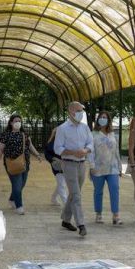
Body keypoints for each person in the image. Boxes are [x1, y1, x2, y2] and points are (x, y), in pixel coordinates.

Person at [54, 101, 93, 236]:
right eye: (78, 110)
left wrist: (86, 150)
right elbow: (57, 148)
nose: (81, 113)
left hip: (82, 164)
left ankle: (65, 219)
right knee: (76, 195)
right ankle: (81, 224)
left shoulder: (85, 128)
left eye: (82, 110)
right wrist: (72, 152)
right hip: (69, 164)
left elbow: (90, 143)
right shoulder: (62, 128)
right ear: (71, 112)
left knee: (73, 194)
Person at [0, 114, 42, 215]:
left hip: (25, 163)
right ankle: (19, 206)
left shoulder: (24, 134)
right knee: (17, 185)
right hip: (11, 164)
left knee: (21, 185)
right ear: (11, 123)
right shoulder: (5, 135)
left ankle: (12, 199)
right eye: (16, 121)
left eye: (19, 121)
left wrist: (37, 154)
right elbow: (0, 150)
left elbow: (30, 146)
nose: (18, 123)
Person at [88, 111, 122, 225]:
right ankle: (98, 214)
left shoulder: (113, 135)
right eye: (101, 117)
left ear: (109, 120)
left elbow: (116, 151)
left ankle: (116, 215)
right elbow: (90, 152)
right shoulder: (93, 134)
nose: (103, 119)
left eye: (105, 117)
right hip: (98, 168)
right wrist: (91, 165)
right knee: (98, 191)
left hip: (112, 168)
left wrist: (119, 166)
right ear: (98, 120)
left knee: (115, 190)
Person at [44, 127, 67, 206]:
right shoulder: (52, 143)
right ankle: (66, 204)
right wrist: (53, 159)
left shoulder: (67, 141)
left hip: (67, 165)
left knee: (61, 184)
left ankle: (53, 198)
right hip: (57, 166)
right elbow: (47, 154)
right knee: (62, 184)